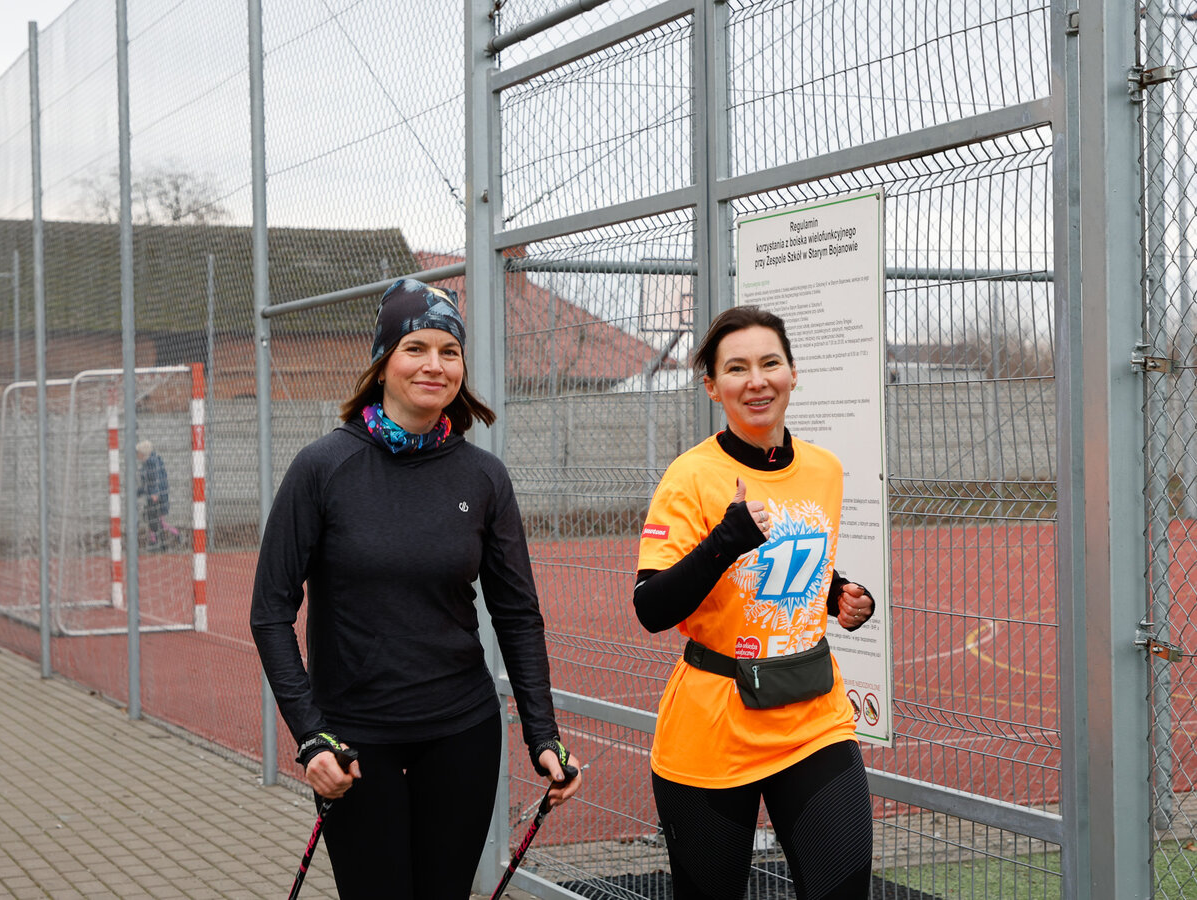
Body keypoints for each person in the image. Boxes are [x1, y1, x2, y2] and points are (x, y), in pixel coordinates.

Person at [250, 277, 582, 899]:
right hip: (355, 741)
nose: (435, 365)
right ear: (383, 362)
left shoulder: (484, 476)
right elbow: (270, 613)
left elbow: (517, 613)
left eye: (449, 351)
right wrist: (310, 734)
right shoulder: (322, 468)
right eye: (416, 348)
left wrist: (543, 734)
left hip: (461, 731)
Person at [632, 305, 876, 900]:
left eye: (770, 363)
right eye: (736, 368)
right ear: (713, 387)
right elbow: (651, 607)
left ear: (793, 373)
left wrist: (838, 595)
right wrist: (726, 538)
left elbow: (791, 570)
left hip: (813, 718)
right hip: (714, 728)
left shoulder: (825, 470)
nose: (757, 380)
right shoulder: (690, 477)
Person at [135, 440, 180, 549]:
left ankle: (175, 535)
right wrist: (138, 492)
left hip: (157, 497)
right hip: (154, 496)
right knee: (152, 520)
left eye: (138, 452)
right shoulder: (148, 463)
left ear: (143, 453)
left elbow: (155, 479)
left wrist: (154, 493)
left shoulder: (151, 463)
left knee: (157, 521)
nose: (137, 455)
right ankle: (155, 541)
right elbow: (148, 483)